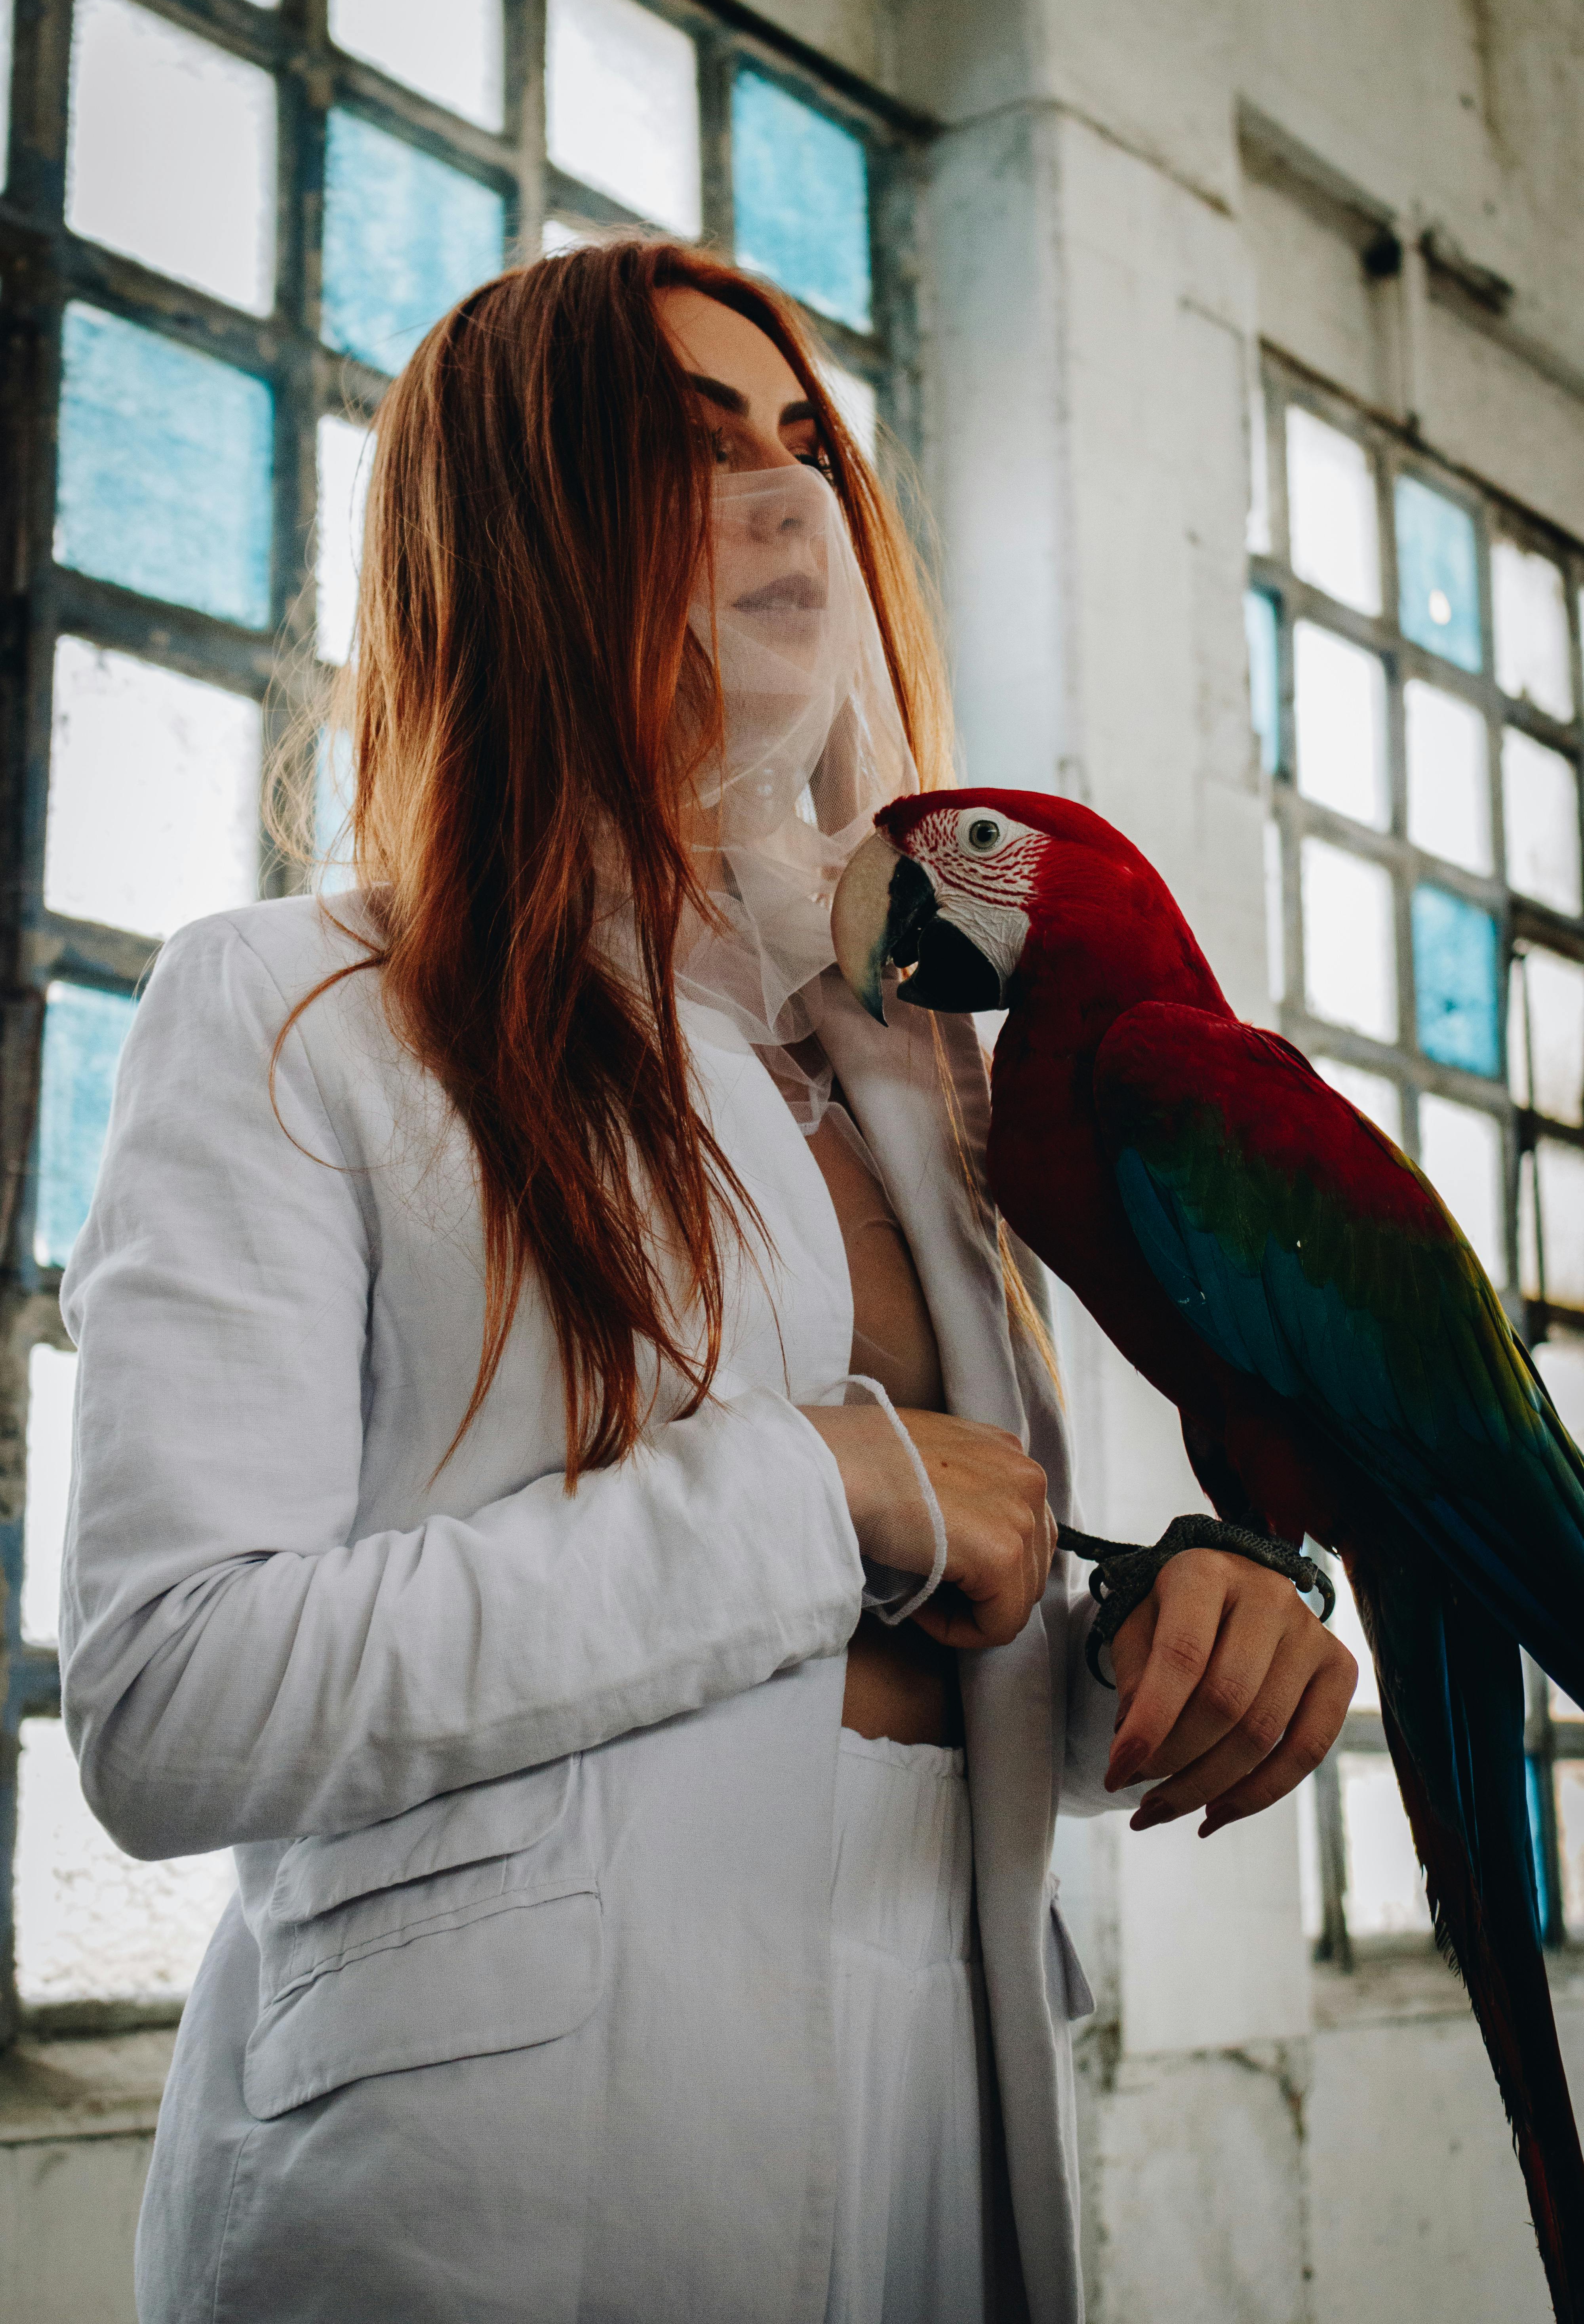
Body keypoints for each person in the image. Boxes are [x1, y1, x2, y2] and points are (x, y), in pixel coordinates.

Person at [57, 240, 1356, 2324]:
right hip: (492, 2184)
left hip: (950, 2128)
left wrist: (1167, 1650)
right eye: (683, 447)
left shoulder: (922, 1069)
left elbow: (939, 1625)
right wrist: (811, 1483)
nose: (783, 498)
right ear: (518, 528)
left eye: (806, 442)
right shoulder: (299, 1007)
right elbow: (170, 1701)